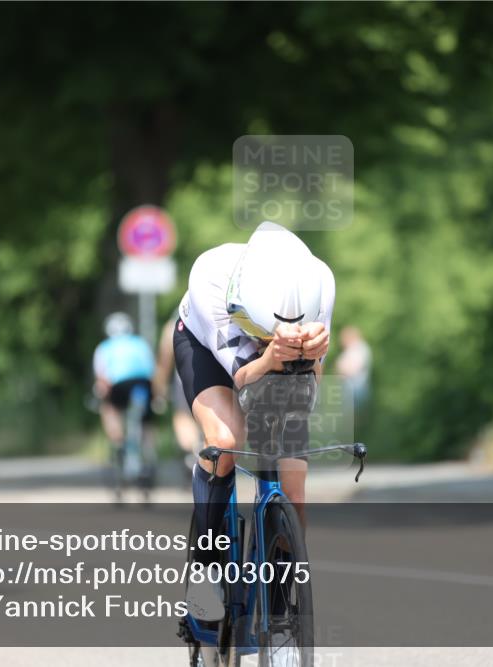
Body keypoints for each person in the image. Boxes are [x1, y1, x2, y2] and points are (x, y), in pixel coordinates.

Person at [175, 221, 335, 620]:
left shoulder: (319, 284)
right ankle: (207, 567)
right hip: (206, 348)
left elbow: (309, 392)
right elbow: (241, 383)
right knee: (226, 440)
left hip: (281, 363)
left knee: (294, 487)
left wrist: (312, 357)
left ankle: (280, 606)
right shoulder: (210, 280)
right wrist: (268, 356)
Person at [92, 312, 156, 473]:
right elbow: (152, 371)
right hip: (142, 384)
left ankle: (118, 441)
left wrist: (101, 393)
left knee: (109, 409)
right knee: (145, 420)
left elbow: (102, 379)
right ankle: (149, 452)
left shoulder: (104, 347)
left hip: (118, 385)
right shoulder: (140, 343)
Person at [154, 316, 203, 475]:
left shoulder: (177, 319)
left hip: (185, 373)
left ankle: (192, 453)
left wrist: (159, 390)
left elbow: (165, 359)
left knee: (182, 415)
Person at [334, 325, 372, 425]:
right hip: (351, 389)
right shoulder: (355, 349)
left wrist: (341, 370)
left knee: (350, 421)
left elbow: (353, 368)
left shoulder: (359, 349)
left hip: (355, 389)